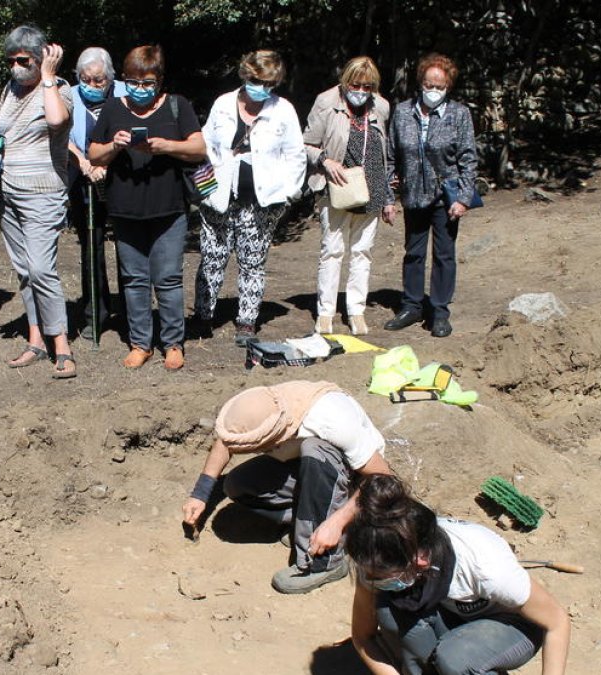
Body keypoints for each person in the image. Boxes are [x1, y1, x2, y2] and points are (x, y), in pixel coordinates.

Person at [346, 474, 571, 675]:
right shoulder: (376, 557)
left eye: (381, 576)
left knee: (454, 660)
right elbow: (362, 637)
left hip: (513, 625)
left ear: (420, 561)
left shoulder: (486, 566)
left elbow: (557, 623)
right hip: (456, 613)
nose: (371, 579)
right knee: (389, 612)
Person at [181, 381, 391, 594]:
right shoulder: (265, 407)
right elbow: (225, 443)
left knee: (315, 450)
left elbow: (382, 477)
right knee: (238, 485)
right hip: (306, 465)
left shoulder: (332, 422)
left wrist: (336, 523)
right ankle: (307, 523)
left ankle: (325, 563)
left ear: (275, 436)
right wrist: (200, 494)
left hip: (354, 478)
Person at [89, 45, 207, 370]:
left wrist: (167, 146)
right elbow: (93, 154)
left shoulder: (176, 105)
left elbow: (198, 148)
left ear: (159, 81)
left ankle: (173, 343)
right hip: (125, 209)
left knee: (168, 278)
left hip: (169, 210)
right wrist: (115, 144)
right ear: (125, 80)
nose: (140, 89)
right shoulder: (112, 108)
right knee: (133, 279)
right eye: (134, 82)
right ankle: (141, 343)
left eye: (148, 82)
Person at [192, 50, 306, 345]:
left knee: (252, 261)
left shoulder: (283, 110)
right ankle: (203, 315)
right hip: (218, 196)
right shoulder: (223, 104)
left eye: (269, 83)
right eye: (256, 80)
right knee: (212, 257)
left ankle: (247, 321)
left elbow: (296, 155)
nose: (262, 88)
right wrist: (203, 189)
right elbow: (204, 147)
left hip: (261, 201)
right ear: (245, 74)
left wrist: (288, 194)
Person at [0, 25, 77, 379]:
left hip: (44, 192)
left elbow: (57, 121)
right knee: (24, 269)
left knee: (41, 268)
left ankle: (62, 346)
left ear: (41, 59)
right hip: (7, 191)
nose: (15, 66)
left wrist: (50, 77)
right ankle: (36, 340)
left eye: (23, 60)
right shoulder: (10, 89)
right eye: (10, 60)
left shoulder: (60, 89)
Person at [384, 53, 478, 339]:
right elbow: (390, 157)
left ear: (448, 86)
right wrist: (389, 197)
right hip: (413, 194)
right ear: (420, 83)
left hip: (445, 196)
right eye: (428, 84)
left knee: (444, 255)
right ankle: (412, 305)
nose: (433, 90)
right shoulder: (402, 113)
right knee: (413, 253)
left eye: (439, 86)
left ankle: (439, 310)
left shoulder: (459, 114)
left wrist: (463, 197)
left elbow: (468, 159)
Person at [303, 56, 395, 337]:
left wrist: (389, 196)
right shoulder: (326, 102)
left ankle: (356, 310)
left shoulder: (381, 106)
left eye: (368, 87)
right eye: (356, 85)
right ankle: (326, 312)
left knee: (362, 252)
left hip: (372, 187)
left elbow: (384, 153)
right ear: (345, 81)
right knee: (332, 250)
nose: (361, 91)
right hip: (337, 187)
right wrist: (324, 161)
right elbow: (306, 142)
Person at [68, 47, 127, 341]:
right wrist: (84, 163)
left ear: (110, 77)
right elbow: (61, 135)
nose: (92, 85)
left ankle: (129, 313)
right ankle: (95, 314)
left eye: (99, 80)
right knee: (91, 246)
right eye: (86, 79)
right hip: (83, 178)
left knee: (127, 246)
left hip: (121, 177)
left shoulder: (126, 92)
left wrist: (106, 162)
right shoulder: (69, 95)